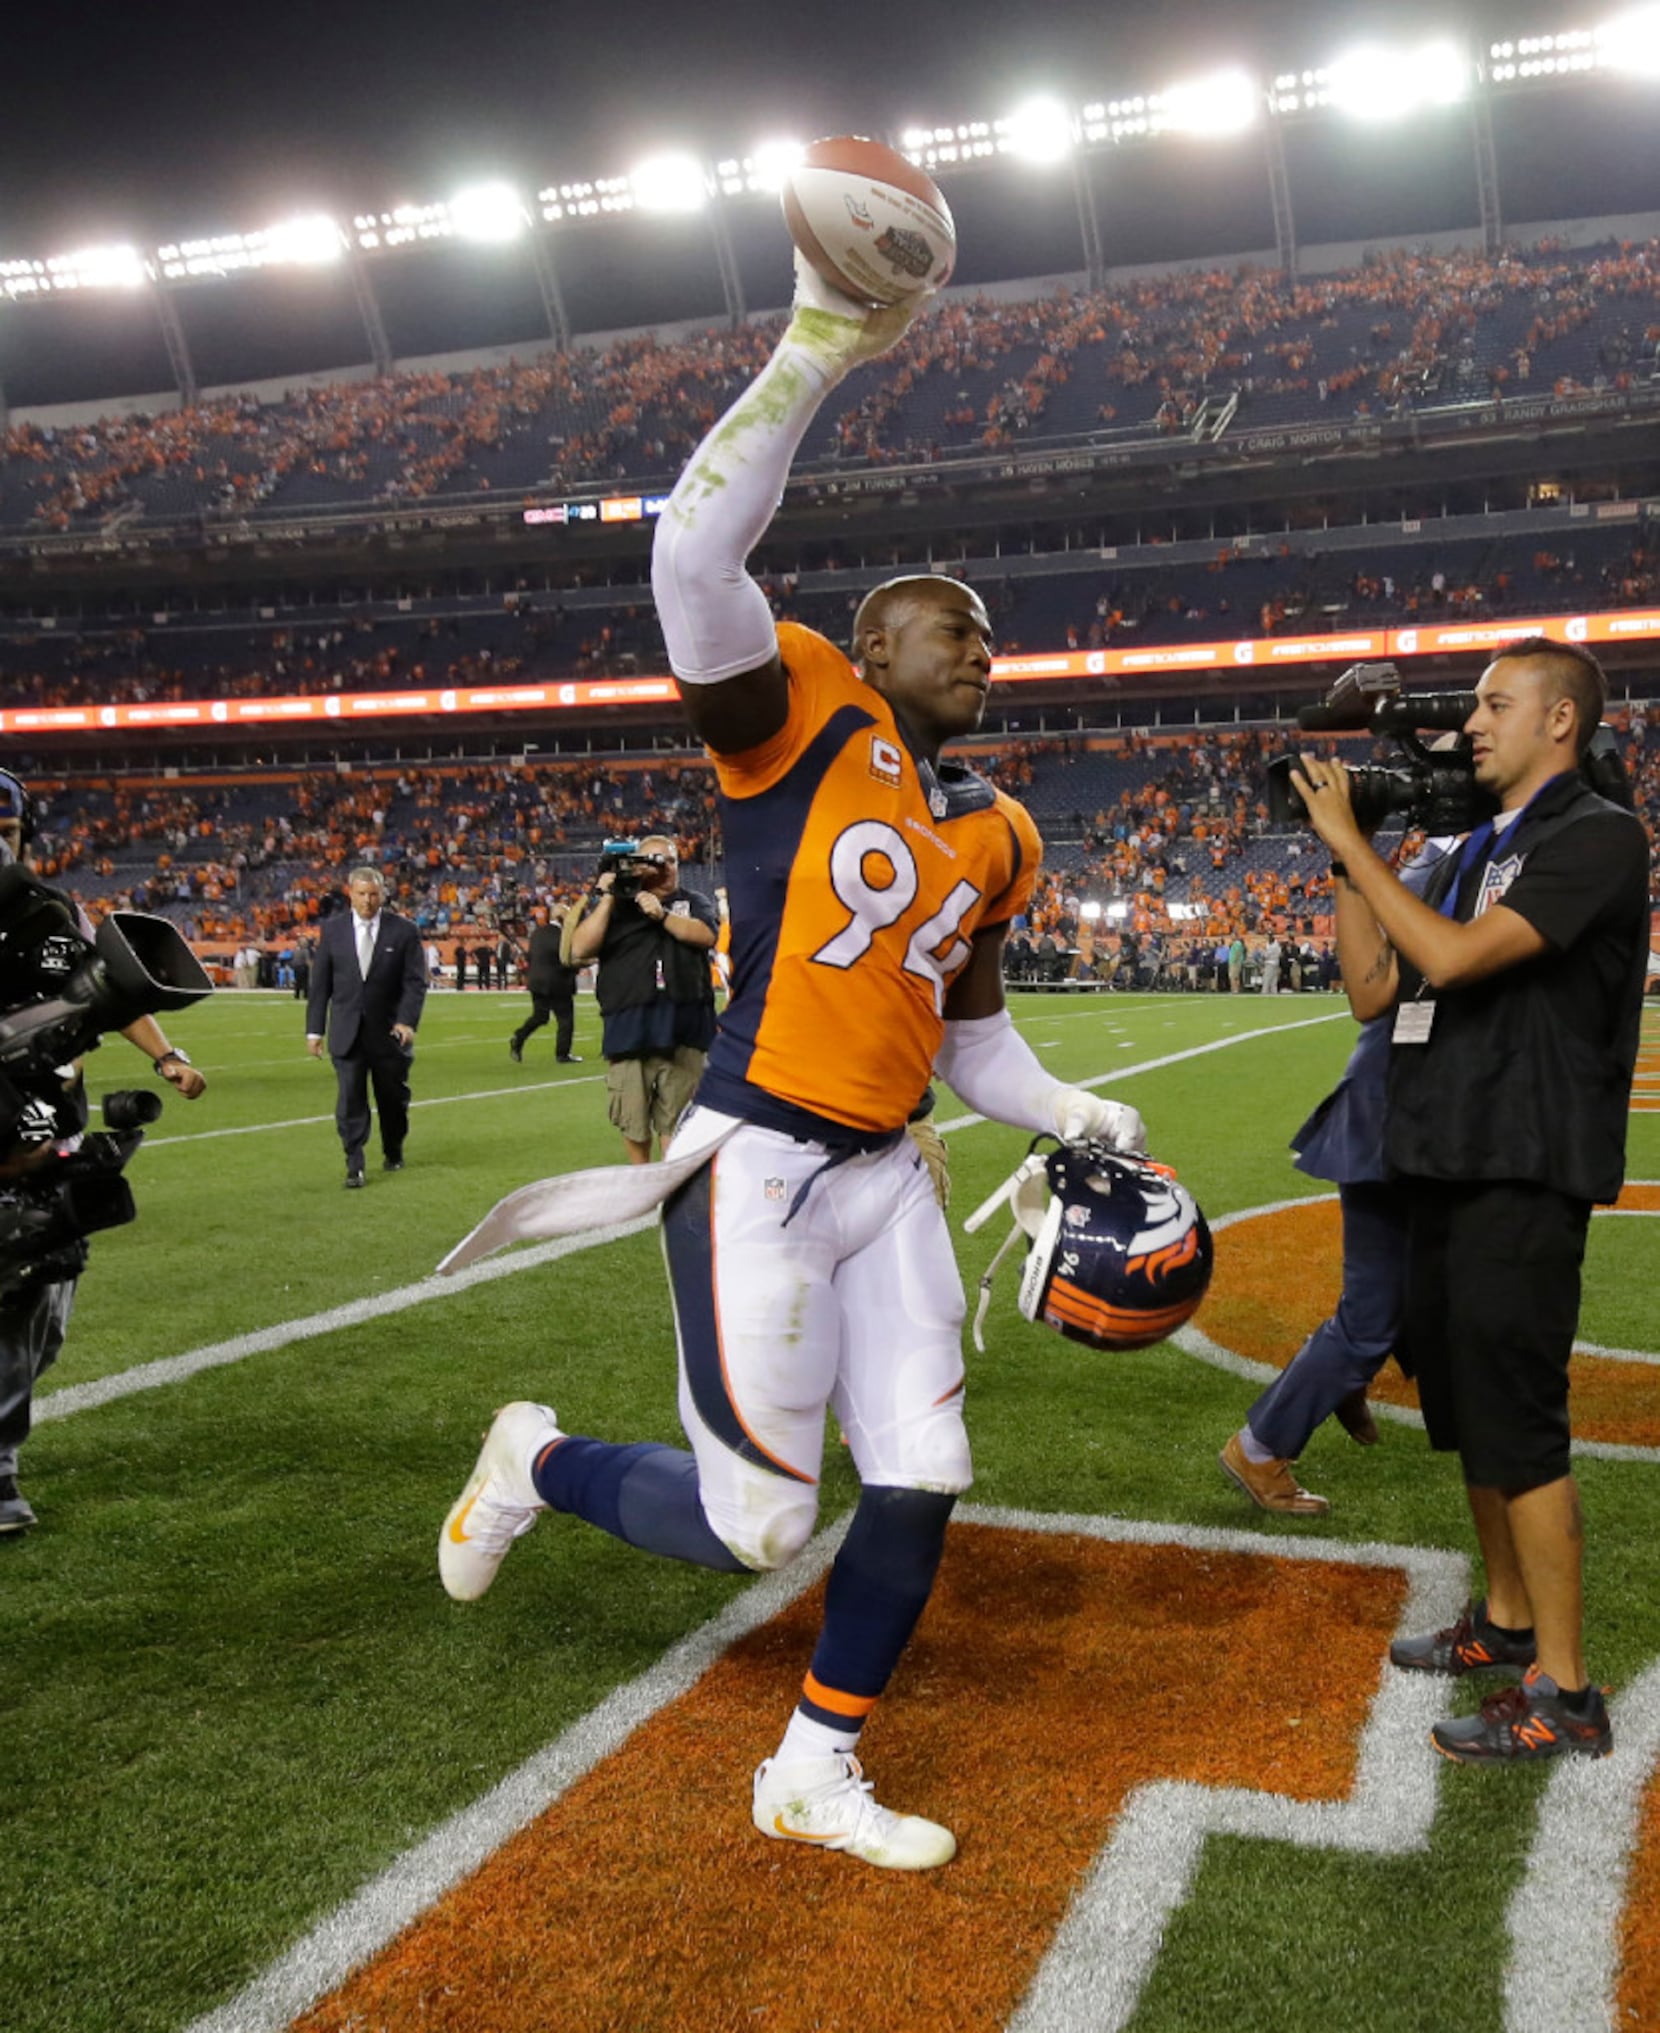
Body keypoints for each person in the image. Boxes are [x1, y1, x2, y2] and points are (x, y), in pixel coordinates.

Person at [437, 259, 1148, 1869]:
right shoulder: (799, 716)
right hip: (755, 1155)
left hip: (891, 1168)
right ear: (872, 642)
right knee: (758, 1523)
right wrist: (821, 345)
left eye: (989, 637)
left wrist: (1072, 1104)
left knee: (925, 1470)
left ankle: (813, 1769)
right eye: (946, 629)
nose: (981, 650)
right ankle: (534, 1457)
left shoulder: (1001, 832)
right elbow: (692, 547)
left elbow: (973, 1042)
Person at [1293, 637, 1648, 1763]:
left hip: (1521, 1165)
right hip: (1441, 1159)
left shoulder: (1596, 836)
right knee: (1469, 1414)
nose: (1471, 722)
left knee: (1522, 1424)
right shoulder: (1471, 848)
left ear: (1561, 722)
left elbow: (1445, 960)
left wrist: (1356, 836)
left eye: (1497, 702)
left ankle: (1569, 1688)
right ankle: (1503, 1623)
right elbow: (1370, 989)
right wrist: (1353, 864)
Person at [0, 769, 208, 1533]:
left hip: (50, 1127)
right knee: (12, 1299)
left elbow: (111, 985)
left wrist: (166, 1056)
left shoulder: (47, 914)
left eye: (9, 833)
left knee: (48, 1313)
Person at [564, 836, 717, 1163]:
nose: (666, 868)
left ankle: (674, 1197)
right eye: (655, 860)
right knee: (634, 1124)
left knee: (679, 1123)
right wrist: (607, 898)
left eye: (672, 860)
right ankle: (643, 1189)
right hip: (629, 1030)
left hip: (684, 1030)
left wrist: (662, 915)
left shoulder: (693, 901)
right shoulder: (616, 909)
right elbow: (579, 948)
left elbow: (706, 935)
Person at [305, 867, 426, 1187]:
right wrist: (314, 1030)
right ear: (350, 894)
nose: (368, 901)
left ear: (383, 894)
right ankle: (354, 1162)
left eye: (373, 894)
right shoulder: (332, 931)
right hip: (347, 1033)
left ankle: (393, 1148)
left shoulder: (404, 931)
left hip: (389, 1035)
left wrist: (406, 1021)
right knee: (349, 1099)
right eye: (361, 894)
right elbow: (320, 985)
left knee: (393, 1100)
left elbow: (415, 983)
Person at [509, 907, 582, 1065]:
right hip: (558, 982)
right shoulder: (564, 935)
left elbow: (533, 956)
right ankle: (563, 1054)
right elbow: (566, 959)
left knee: (540, 1016)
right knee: (565, 1019)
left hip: (536, 981)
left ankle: (519, 1037)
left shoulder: (537, 933)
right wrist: (577, 967)